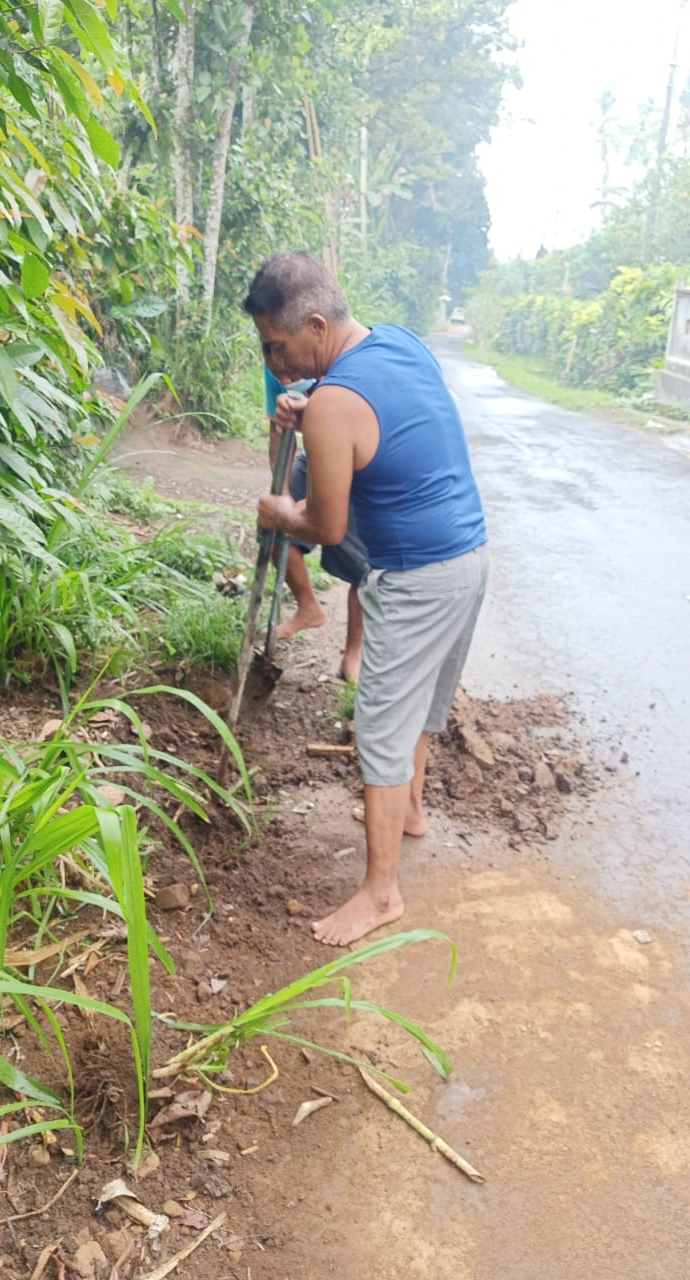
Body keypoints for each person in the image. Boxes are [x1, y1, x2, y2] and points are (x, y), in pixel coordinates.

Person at [244, 252, 488, 948]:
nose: (275, 362)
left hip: (415, 577)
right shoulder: (398, 342)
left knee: (380, 725)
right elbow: (378, 411)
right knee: (421, 705)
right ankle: (408, 812)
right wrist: (313, 396)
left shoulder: (333, 406)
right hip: (469, 556)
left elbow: (326, 528)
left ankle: (381, 895)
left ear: (314, 323)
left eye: (278, 347)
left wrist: (275, 512)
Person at [264, 363, 365, 682]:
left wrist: (322, 503)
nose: (282, 375)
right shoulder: (275, 363)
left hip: (359, 460)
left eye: (284, 353)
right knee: (270, 527)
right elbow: (279, 433)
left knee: (360, 565)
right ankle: (308, 608)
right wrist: (283, 502)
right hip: (314, 456)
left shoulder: (346, 365)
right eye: (270, 351)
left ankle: (354, 653)